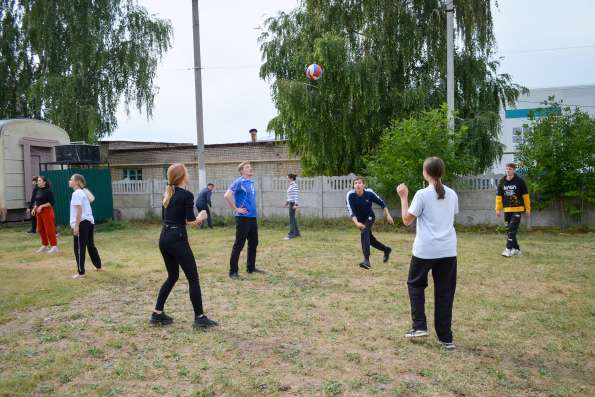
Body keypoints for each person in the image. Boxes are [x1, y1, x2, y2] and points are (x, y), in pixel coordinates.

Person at [396, 157, 458, 350]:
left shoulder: (422, 195)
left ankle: (419, 326)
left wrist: (403, 197)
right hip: (448, 251)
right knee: (445, 294)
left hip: (425, 250)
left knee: (415, 285)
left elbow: (407, 220)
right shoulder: (453, 194)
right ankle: (446, 338)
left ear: (425, 173)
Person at [151, 163, 218, 329]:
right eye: (187, 172)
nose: (188, 175)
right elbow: (190, 220)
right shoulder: (187, 195)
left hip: (164, 238)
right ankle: (200, 318)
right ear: (182, 177)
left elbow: (169, 219)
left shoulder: (167, 194)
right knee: (193, 278)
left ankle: (157, 314)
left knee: (172, 276)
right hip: (177, 240)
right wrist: (202, 216)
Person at [224, 161, 263, 279]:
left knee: (254, 242)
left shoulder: (250, 182)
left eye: (250, 167)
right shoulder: (239, 181)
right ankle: (233, 271)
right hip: (243, 218)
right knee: (239, 244)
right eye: (247, 167)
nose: (250, 168)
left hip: (252, 217)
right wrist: (236, 209)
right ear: (242, 171)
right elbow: (227, 195)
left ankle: (251, 267)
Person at [346, 176, 394, 270]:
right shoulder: (350, 195)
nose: (357, 185)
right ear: (353, 186)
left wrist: (388, 215)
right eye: (355, 183)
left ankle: (366, 261)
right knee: (370, 240)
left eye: (359, 183)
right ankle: (386, 250)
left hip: (370, 217)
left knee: (364, 233)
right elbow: (351, 212)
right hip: (359, 220)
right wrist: (356, 223)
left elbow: (382, 203)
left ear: (363, 185)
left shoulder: (369, 193)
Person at [69, 174, 102, 279]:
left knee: (79, 248)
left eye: (71, 179)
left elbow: (79, 210)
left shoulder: (76, 193)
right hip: (89, 222)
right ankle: (98, 266)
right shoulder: (83, 193)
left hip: (82, 223)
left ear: (77, 182)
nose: (69, 181)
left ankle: (81, 272)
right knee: (90, 245)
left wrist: (76, 226)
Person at [496, 163, 531, 257]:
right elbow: (499, 197)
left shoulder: (520, 181)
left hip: (518, 209)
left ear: (514, 170)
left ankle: (508, 249)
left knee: (512, 229)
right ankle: (516, 249)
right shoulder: (501, 182)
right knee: (509, 230)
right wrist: (498, 209)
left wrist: (528, 208)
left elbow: (526, 197)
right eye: (507, 169)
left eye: (510, 169)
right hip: (507, 210)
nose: (508, 171)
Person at [31, 176, 58, 254]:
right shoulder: (38, 190)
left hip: (47, 211)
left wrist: (42, 206)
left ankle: (54, 246)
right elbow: (37, 201)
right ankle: (45, 245)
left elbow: (52, 203)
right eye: (38, 181)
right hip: (39, 212)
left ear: (44, 182)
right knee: (40, 229)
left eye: (39, 180)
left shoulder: (48, 191)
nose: (38, 182)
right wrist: (34, 208)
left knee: (49, 229)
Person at [284, 173, 300, 240]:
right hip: (290, 203)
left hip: (293, 204)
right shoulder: (291, 185)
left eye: (288, 178)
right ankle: (297, 233)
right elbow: (290, 195)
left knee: (291, 219)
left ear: (291, 178)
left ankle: (291, 234)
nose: (287, 179)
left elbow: (296, 195)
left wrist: (296, 204)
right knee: (293, 218)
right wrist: (287, 202)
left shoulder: (294, 185)